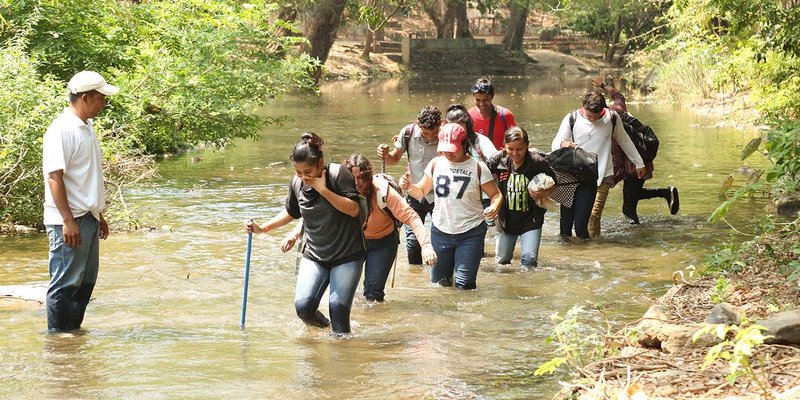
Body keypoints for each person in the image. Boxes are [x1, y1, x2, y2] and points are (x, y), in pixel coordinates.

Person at [246, 133, 364, 334]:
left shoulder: (338, 174)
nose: (303, 177)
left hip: (347, 255)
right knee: (304, 309)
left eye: (308, 171)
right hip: (315, 254)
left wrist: (323, 189)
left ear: (321, 163)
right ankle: (324, 332)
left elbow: (353, 209)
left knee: (339, 311)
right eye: (298, 172)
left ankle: (342, 356)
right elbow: (291, 212)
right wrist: (262, 228)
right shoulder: (297, 183)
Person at [42, 70, 119, 332]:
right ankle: (58, 341)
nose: (103, 104)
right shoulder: (62, 130)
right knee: (65, 284)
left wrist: (99, 213)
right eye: (100, 98)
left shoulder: (86, 127)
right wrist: (67, 221)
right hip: (69, 219)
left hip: (88, 216)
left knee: (85, 282)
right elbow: (54, 177)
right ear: (85, 98)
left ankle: (72, 337)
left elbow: (86, 176)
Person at [400, 123, 502, 289]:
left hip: (471, 232)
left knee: (465, 284)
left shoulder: (477, 167)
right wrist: (408, 186)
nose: (448, 153)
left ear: (464, 144)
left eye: (452, 149)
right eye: (445, 148)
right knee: (439, 285)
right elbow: (420, 192)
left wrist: (494, 207)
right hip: (440, 232)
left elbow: (495, 194)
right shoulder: (435, 164)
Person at [550, 92, 645, 239]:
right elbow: (555, 143)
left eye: (597, 116)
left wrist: (639, 163)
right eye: (589, 116)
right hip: (574, 174)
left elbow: (624, 140)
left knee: (594, 215)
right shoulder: (572, 118)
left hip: (603, 173)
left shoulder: (612, 118)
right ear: (583, 108)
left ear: (603, 109)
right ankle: (576, 249)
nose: (593, 120)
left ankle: (594, 249)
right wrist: (564, 144)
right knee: (568, 220)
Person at [343, 154, 437, 302]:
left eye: (361, 178)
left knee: (373, 294)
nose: (356, 183)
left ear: (369, 177)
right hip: (353, 242)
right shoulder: (339, 189)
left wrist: (426, 246)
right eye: (352, 178)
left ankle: (374, 322)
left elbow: (411, 217)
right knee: (344, 288)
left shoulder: (383, 191)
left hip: (382, 243)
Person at [593, 77, 680, 223]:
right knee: (633, 195)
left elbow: (619, 158)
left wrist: (612, 179)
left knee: (628, 209)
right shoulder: (618, 110)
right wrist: (603, 85)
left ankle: (637, 242)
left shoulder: (608, 125)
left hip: (633, 167)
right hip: (643, 158)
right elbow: (619, 96)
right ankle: (666, 193)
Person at [376, 106, 441, 267]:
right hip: (414, 193)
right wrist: (385, 155)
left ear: (441, 124)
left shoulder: (446, 135)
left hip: (440, 195)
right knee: (412, 243)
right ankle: (416, 277)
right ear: (418, 124)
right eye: (426, 133)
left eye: (434, 133)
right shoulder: (408, 133)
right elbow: (394, 159)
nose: (430, 137)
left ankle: (440, 276)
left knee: (441, 240)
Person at [486, 126, 556, 269]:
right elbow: (481, 176)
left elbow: (555, 182)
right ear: (504, 146)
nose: (515, 153)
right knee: (502, 263)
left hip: (531, 221)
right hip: (506, 221)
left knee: (529, 263)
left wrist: (544, 193)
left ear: (527, 146)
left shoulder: (537, 162)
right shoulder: (499, 159)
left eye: (520, 149)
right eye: (510, 149)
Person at [468, 78, 517, 150]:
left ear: (492, 96)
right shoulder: (468, 116)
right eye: (478, 100)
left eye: (485, 100)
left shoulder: (505, 115)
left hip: (500, 159)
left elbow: (517, 141)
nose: (481, 104)